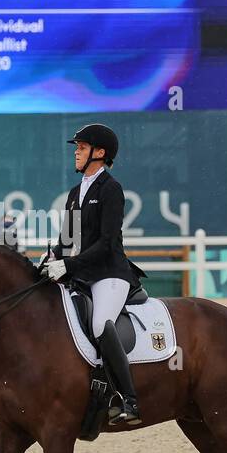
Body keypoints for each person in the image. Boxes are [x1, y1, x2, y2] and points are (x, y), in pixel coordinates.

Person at [42, 124, 147, 425]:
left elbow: (106, 242)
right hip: (84, 273)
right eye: (77, 147)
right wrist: (52, 258)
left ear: (99, 153)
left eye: (83, 147)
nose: (76, 151)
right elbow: (66, 238)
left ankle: (129, 399)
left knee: (101, 324)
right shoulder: (76, 193)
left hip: (110, 273)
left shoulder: (111, 189)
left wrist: (70, 266)